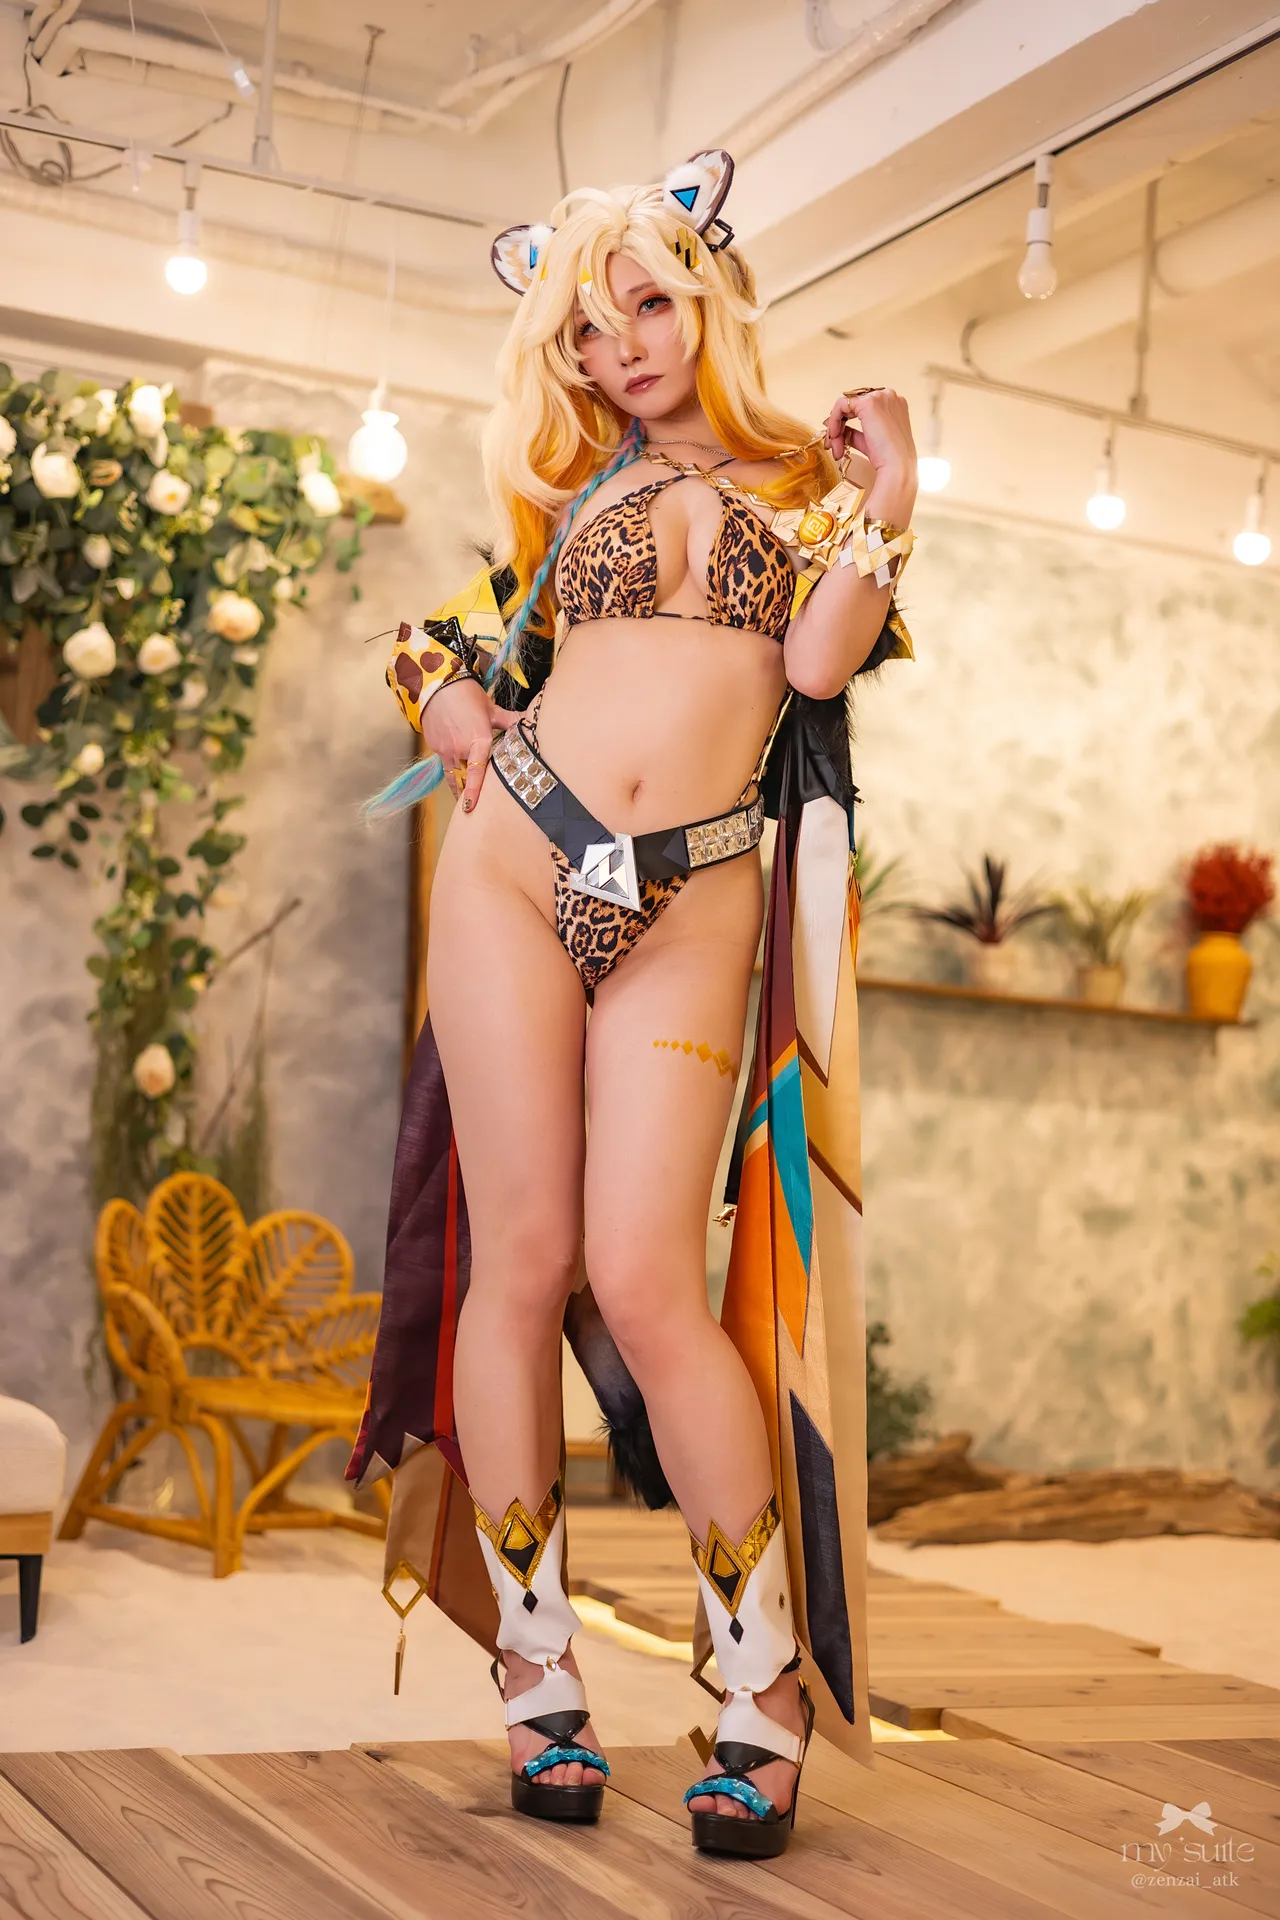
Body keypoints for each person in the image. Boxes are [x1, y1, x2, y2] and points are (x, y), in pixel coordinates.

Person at [347, 149, 917, 1860]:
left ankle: (761, 1684)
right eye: (588, 333)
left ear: (708, 294)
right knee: (520, 1262)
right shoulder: (569, 491)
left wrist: (896, 494)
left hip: (693, 895)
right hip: (517, 865)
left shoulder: (807, 482)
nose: (622, 351)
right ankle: (539, 1670)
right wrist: (450, 708)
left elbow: (816, 661)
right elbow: (430, 646)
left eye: (648, 307)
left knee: (652, 1276)